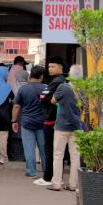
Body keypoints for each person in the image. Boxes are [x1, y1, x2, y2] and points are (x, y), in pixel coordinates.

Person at [12, 66, 48, 178]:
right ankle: (47, 172)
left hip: (27, 122)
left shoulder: (23, 89)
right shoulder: (47, 88)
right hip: (43, 123)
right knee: (44, 148)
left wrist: (14, 121)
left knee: (29, 148)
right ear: (42, 76)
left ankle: (31, 171)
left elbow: (16, 106)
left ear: (30, 75)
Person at [49, 73, 83, 192]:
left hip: (62, 126)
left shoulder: (63, 87)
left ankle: (57, 183)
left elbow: (53, 100)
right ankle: (73, 185)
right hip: (76, 126)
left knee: (58, 155)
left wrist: (61, 103)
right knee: (75, 157)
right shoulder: (83, 90)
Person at [37, 57, 68, 187]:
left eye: (53, 67)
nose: (50, 69)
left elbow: (42, 97)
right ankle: (55, 177)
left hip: (51, 119)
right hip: (57, 118)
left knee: (50, 150)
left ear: (60, 68)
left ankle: (49, 177)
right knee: (57, 151)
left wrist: (47, 101)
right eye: (49, 67)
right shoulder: (63, 81)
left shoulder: (56, 82)